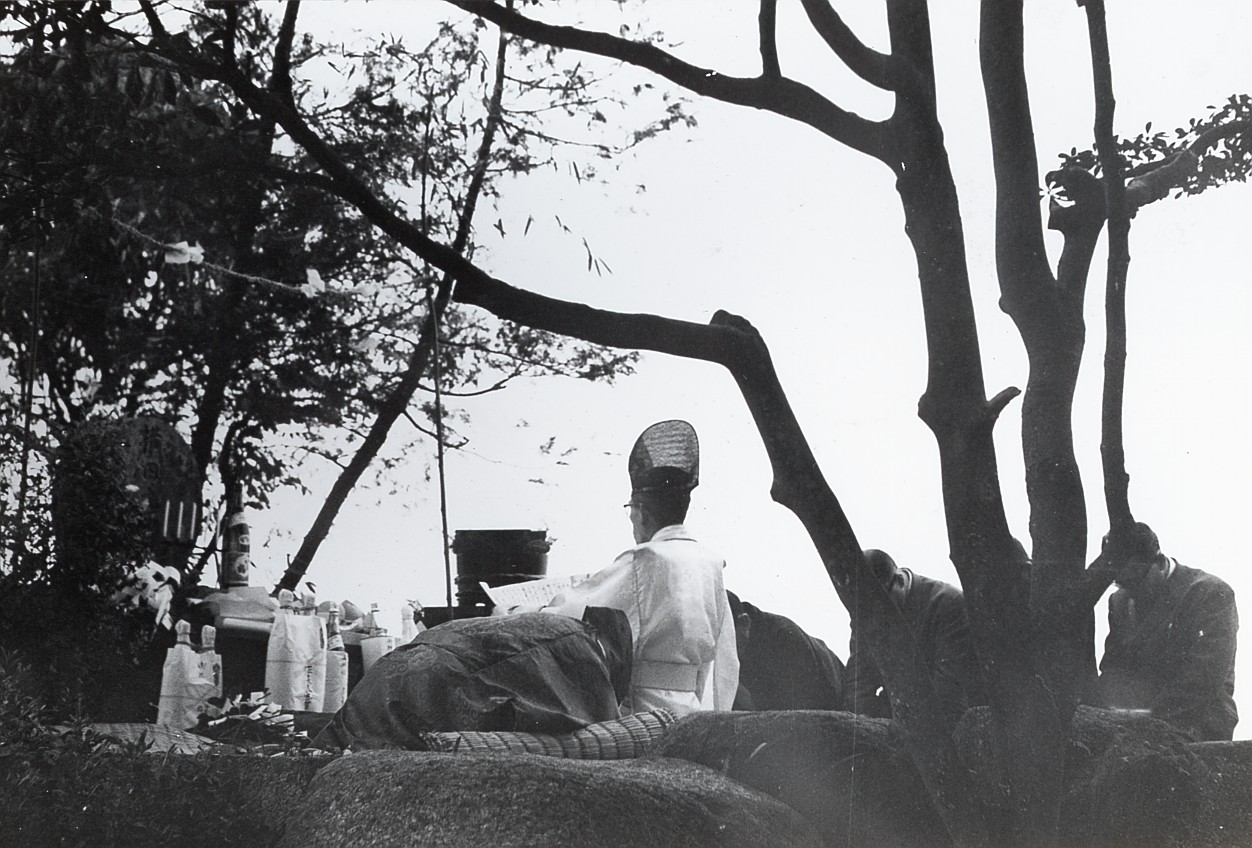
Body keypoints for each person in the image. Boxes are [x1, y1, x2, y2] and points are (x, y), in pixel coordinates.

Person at [542, 420, 739, 717]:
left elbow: (569, 613)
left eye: (631, 510)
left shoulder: (646, 560)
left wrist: (514, 611)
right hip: (695, 713)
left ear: (642, 512)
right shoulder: (710, 564)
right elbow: (727, 662)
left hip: (642, 716)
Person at [1094, 522, 1238, 741]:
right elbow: (1113, 667)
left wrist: (1149, 720)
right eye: (1121, 583)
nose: (1130, 592)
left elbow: (1203, 676)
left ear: (1159, 563)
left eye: (1136, 581)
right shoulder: (1119, 601)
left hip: (1197, 724)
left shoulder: (1210, 592)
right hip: (1137, 724)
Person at [842, 549, 982, 724]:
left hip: (949, 720)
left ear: (900, 581)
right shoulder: (868, 615)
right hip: (898, 717)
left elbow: (950, 694)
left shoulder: (948, 604)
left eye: (881, 605)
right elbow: (857, 687)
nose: (876, 616)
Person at [726, 590, 844, 711]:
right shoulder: (740, 645)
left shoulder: (785, 639)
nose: (726, 651)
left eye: (727, 639)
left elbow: (795, 713)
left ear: (745, 623)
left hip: (839, 701)